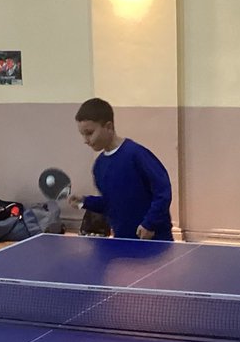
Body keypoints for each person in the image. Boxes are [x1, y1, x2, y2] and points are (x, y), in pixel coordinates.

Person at [70, 97, 173, 240]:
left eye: (90, 133)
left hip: (154, 241)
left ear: (109, 127)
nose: (86, 140)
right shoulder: (99, 166)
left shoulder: (136, 154)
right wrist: (85, 202)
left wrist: (150, 224)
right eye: (82, 134)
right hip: (123, 240)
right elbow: (111, 204)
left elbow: (163, 191)